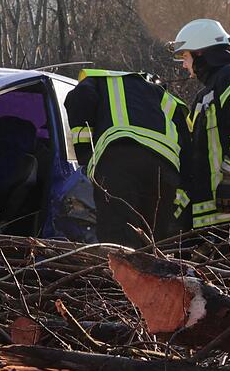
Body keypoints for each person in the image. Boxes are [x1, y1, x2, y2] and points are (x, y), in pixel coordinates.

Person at [169, 18, 230, 266]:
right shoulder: (207, 93)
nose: (183, 64)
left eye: (185, 56)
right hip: (217, 209)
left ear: (201, 52)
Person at [64, 69, 190, 247]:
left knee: (119, 239)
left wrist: (85, 155)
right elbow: (187, 145)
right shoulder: (165, 96)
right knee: (156, 240)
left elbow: (79, 97)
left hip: (119, 160)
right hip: (165, 168)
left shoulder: (98, 81)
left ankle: (120, 274)